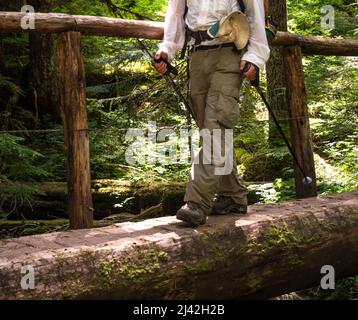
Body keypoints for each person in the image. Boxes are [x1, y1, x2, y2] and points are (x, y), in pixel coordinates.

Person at [153, 0, 270, 227]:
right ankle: (233, 196)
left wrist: (255, 57)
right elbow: (175, 14)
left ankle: (196, 203)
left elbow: (256, 16)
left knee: (216, 126)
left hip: (229, 54)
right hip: (196, 56)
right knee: (209, 129)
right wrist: (166, 51)